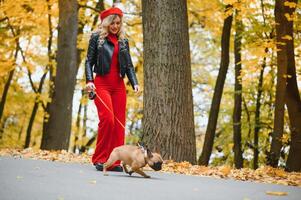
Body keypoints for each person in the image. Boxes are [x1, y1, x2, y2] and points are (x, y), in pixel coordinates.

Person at [85, 7, 139, 172]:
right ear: (106, 23)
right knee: (108, 120)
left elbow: (128, 65)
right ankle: (100, 159)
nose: (115, 26)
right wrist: (89, 80)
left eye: (118, 23)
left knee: (118, 125)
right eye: (112, 23)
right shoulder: (97, 38)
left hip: (118, 86)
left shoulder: (123, 41)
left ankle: (114, 161)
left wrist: (134, 82)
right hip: (102, 84)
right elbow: (88, 61)